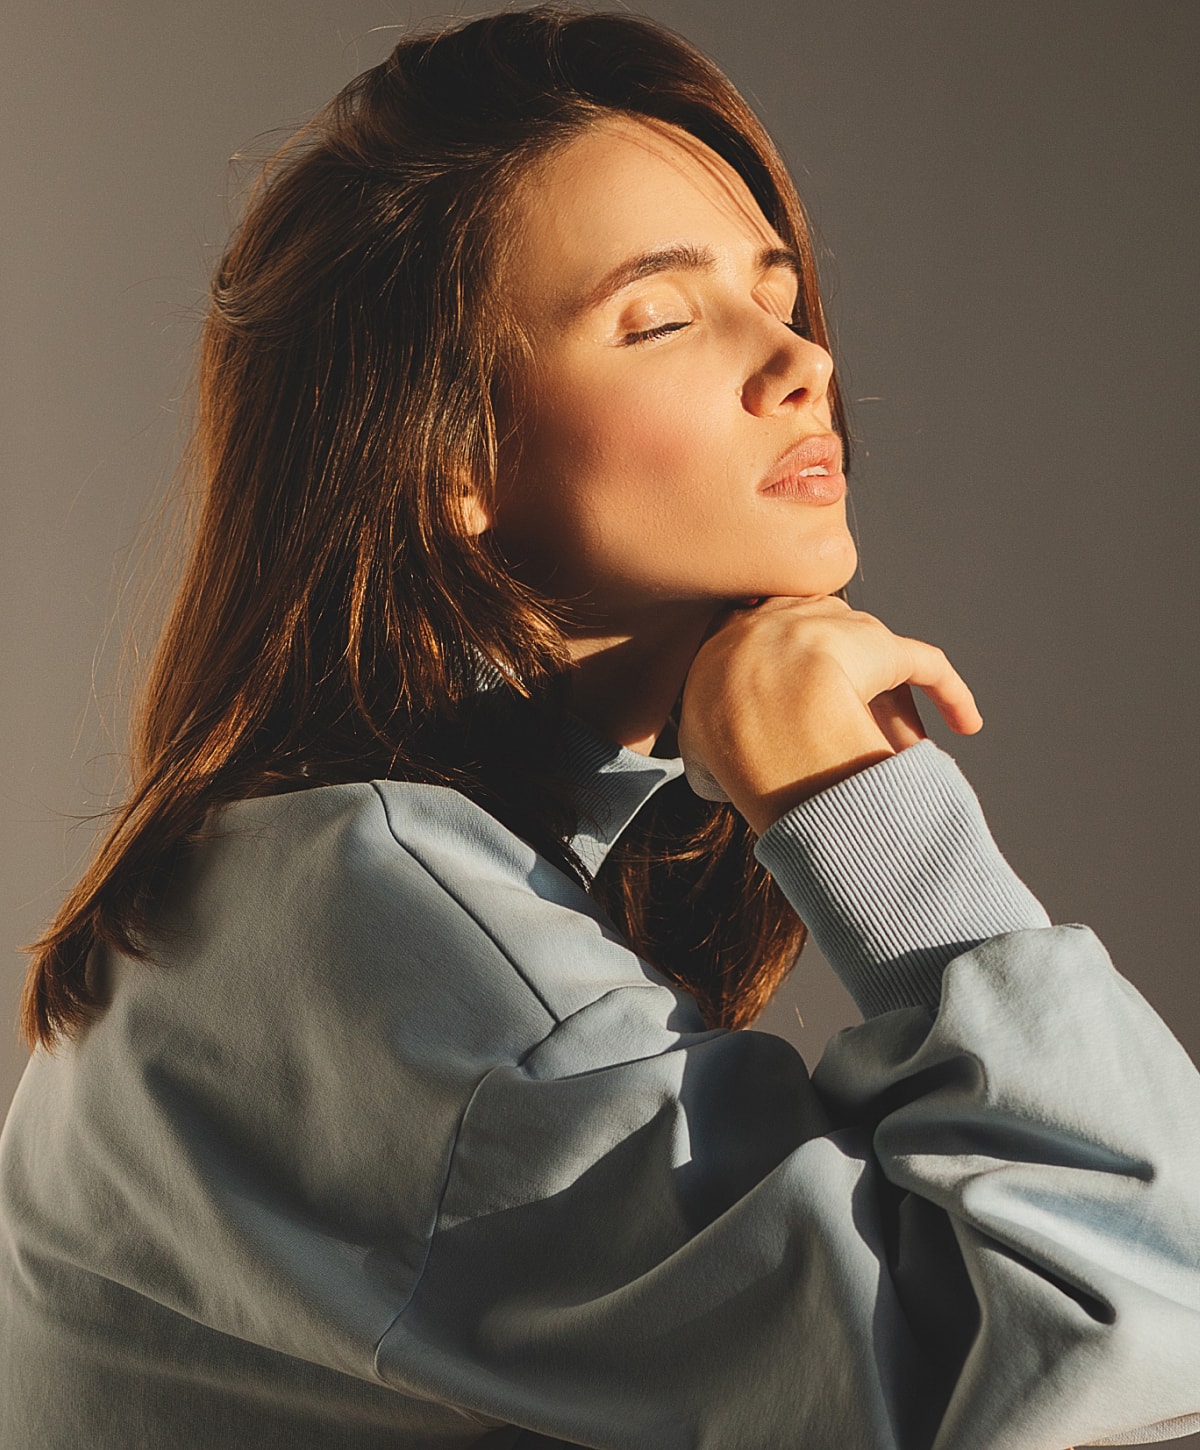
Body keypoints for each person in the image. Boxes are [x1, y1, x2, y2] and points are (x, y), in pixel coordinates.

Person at [2, 6, 1198, 1447]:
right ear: (449, 454)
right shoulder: (371, 922)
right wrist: (864, 809)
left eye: (777, 287)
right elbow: (1127, 1324)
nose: (800, 357)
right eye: (665, 315)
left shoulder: (322, 878)